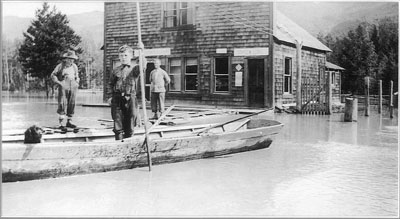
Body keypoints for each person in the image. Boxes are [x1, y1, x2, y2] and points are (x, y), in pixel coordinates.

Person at [107, 45, 141, 140]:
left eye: (125, 55)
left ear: (131, 56)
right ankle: (119, 142)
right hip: (117, 98)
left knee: (130, 121)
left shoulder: (134, 70)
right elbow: (110, 84)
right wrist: (110, 96)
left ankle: (128, 142)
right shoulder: (116, 70)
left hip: (130, 98)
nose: (123, 58)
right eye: (121, 55)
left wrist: (141, 52)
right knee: (117, 122)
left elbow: (143, 65)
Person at [50, 50, 79, 129]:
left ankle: (69, 121)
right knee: (62, 103)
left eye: (72, 59)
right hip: (63, 85)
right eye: (69, 59)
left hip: (73, 85)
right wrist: (58, 82)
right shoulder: (60, 66)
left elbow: (77, 75)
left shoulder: (74, 66)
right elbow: (53, 75)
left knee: (72, 103)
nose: (71, 60)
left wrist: (77, 82)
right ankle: (61, 123)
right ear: (65, 59)